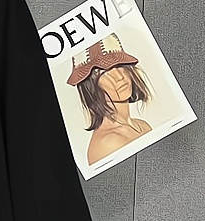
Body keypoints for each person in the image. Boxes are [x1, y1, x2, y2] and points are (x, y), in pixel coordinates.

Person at [66, 32, 153, 164]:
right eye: (103, 72)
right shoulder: (106, 145)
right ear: (90, 87)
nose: (119, 77)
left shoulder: (143, 125)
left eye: (119, 65)